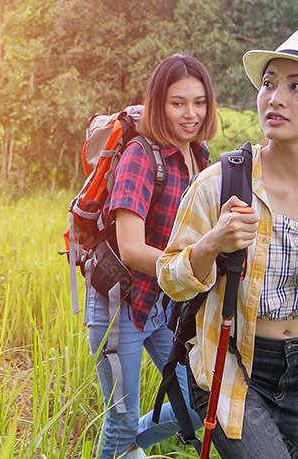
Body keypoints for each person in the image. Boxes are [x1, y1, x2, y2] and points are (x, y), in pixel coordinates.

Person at [157, 29, 298, 458]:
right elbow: (169, 277)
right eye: (269, 83)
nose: (275, 98)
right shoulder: (220, 184)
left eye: (296, 87)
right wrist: (212, 244)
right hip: (234, 364)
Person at [87, 54, 219, 458]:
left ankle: (131, 447)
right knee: (120, 419)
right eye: (178, 103)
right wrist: (193, 263)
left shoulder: (200, 156)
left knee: (195, 406)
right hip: (119, 306)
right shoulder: (141, 156)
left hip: (163, 305)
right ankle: (125, 444)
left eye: (199, 102)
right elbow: (130, 248)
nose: (190, 114)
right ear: (159, 103)